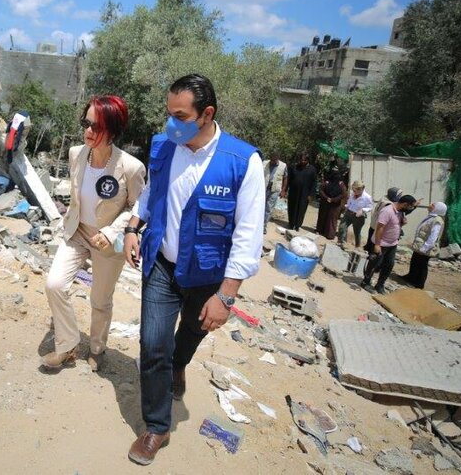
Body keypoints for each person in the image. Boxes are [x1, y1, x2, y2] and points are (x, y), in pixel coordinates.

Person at [122, 74, 264, 466]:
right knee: (153, 344)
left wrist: (227, 296)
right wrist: (133, 227)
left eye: (180, 115)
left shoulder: (242, 162)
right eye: (169, 114)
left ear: (207, 114)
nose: (171, 123)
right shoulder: (165, 146)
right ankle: (156, 427)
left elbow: (249, 235)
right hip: (162, 266)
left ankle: (179, 365)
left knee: (189, 335)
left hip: (208, 276)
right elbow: (153, 193)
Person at [41, 96, 146, 372]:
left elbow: (138, 207)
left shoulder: (131, 167)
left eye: (97, 126)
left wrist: (111, 232)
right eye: (86, 123)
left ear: (112, 130)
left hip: (108, 241)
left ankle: (97, 348)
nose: (89, 131)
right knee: (54, 284)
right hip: (77, 231)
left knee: (100, 300)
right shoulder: (77, 154)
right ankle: (67, 345)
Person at [362, 194, 417, 294]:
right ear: (404, 204)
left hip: (392, 244)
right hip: (382, 243)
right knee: (374, 264)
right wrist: (377, 244)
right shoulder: (387, 211)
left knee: (389, 265)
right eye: (410, 206)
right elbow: (380, 228)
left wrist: (402, 223)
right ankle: (365, 282)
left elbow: (394, 224)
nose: (410, 209)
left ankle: (380, 285)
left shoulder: (400, 211)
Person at [404, 202, 447, 289]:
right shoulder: (432, 217)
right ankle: (410, 277)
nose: (430, 205)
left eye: (433, 205)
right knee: (415, 261)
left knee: (422, 264)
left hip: (425, 247)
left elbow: (434, 236)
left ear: (437, 209)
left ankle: (419, 284)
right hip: (420, 245)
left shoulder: (437, 220)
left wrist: (425, 247)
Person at [363, 187, 402, 254]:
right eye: (399, 195)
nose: (400, 197)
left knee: (369, 246)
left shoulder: (384, 198)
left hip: (373, 225)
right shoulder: (389, 204)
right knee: (374, 250)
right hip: (378, 228)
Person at [286, 152, 317, 231]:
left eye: (304, 160)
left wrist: (311, 195)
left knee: (301, 209)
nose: (302, 161)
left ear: (307, 160)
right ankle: (291, 223)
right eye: (301, 160)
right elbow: (289, 179)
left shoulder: (312, 169)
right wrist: (285, 190)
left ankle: (297, 225)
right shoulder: (294, 167)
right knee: (292, 207)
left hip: (305, 193)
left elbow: (314, 183)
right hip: (293, 192)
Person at [337, 181, 373, 248]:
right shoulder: (353, 194)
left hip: (358, 216)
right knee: (342, 227)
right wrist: (346, 207)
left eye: (355, 190)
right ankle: (340, 243)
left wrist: (362, 210)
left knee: (357, 232)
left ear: (361, 189)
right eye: (353, 190)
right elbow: (349, 202)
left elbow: (370, 207)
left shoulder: (367, 197)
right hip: (348, 213)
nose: (354, 191)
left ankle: (357, 246)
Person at [315, 167, 346, 240]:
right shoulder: (326, 182)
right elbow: (321, 190)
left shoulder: (341, 184)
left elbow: (343, 194)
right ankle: (320, 230)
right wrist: (326, 198)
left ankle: (330, 234)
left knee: (332, 219)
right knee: (322, 217)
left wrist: (333, 199)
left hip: (335, 204)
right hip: (325, 203)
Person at [263, 151, 287, 232]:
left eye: (274, 160)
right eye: (271, 160)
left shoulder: (283, 166)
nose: (273, 162)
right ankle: (257, 224)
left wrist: (283, 190)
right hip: (263, 188)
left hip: (275, 190)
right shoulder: (264, 163)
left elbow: (285, 178)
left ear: (278, 159)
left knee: (269, 208)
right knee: (261, 206)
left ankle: (263, 226)